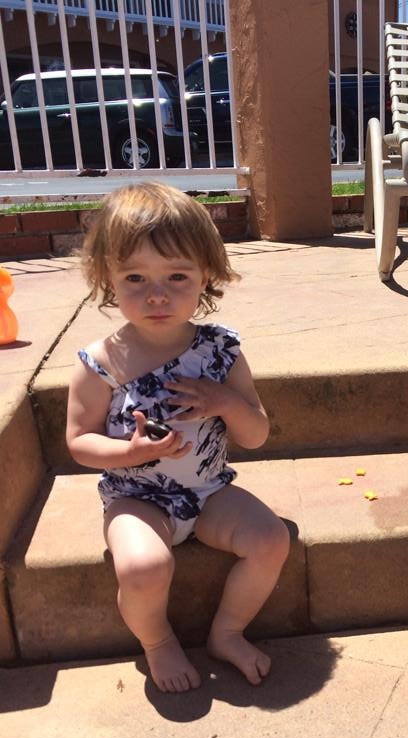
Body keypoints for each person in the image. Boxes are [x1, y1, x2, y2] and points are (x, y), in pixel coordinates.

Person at [66, 182, 289, 694]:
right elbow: (79, 442)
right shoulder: (100, 363)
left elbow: (255, 434)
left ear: (205, 275)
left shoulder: (219, 351)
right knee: (144, 566)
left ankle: (227, 632)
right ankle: (158, 641)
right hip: (135, 498)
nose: (157, 295)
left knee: (272, 539)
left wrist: (227, 404)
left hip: (208, 492)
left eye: (177, 276)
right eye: (136, 277)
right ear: (108, 278)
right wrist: (130, 453)